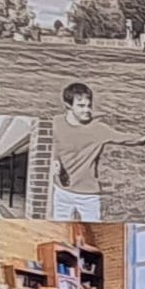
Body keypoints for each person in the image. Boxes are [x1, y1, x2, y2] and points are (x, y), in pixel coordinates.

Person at [50, 82, 112, 217]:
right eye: (81, 105)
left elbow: (130, 139)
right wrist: (56, 158)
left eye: (89, 106)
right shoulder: (56, 123)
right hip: (63, 191)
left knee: (93, 232)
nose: (87, 109)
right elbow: (56, 140)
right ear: (68, 105)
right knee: (60, 231)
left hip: (88, 194)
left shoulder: (59, 121)